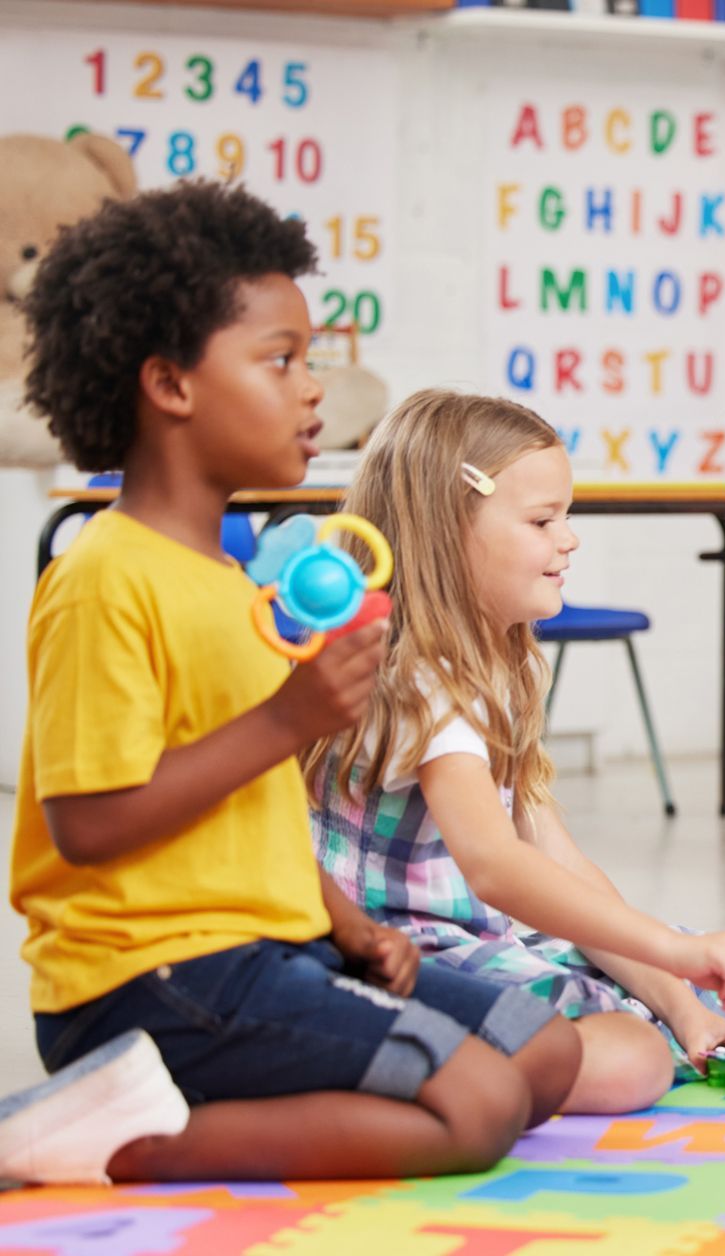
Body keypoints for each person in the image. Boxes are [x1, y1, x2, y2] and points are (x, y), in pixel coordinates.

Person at [3, 183, 580, 1185]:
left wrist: (347, 923)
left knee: (545, 1047)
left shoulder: (232, 583)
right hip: (147, 979)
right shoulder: (102, 578)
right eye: (281, 360)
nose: (314, 388)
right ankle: (97, 1134)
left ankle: (208, 1095)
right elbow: (89, 822)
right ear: (170, 386)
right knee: (480, 1102)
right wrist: (290, 717)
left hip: (267, 950)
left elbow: (244, 810)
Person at [307, 389, 725, 1114]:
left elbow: (557, 859)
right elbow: (496, 868)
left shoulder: (498, 661)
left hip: (467, 931)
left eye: (567, 516)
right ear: (448, 529)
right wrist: (676, 961)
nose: (570, 539)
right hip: (397, 953)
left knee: (666, 981)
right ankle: (394, 1063)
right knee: (631, 1057)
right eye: (543, 520)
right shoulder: (420, 679)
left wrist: (682, 1001)